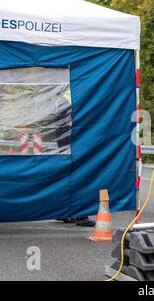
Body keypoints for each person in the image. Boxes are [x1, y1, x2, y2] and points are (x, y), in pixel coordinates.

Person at [55, 89, 95, 227]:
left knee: (67, 174)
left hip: (63, 137)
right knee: (80, 174)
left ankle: (64, 212)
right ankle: (80, 214)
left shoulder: (64, 93)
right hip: (71, 138)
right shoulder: (77, 91)